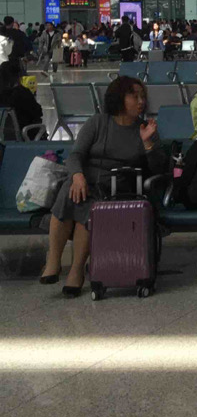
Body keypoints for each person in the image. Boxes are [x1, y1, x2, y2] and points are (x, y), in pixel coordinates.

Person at [43, 75, 165, 296]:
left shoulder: (145, 129)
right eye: (134, 96)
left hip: (116, 185)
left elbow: (158, 168)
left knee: (90, 202)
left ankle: (76, 270)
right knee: (72, 189)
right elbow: (76, 155)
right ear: (119, 98)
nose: (141, 101)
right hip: (84, 179)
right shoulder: (98, 122)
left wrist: (148, 143)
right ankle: (56, 260)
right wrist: (78, 175)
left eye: (142, 97)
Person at [0, 59, 43, 138]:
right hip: (25, 135)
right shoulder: (22, 93)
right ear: (18, 76)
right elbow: (38, 112)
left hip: (3, 137)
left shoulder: (3, 95)